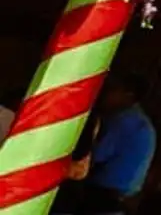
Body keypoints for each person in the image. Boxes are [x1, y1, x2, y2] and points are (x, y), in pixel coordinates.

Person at [53, 74, 153, 215]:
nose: (104, 94)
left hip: (102, 199)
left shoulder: (123, 122)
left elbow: (91, 156)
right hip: (118, 200)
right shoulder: (139, 121)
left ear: (128, 96)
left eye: (112, 90)